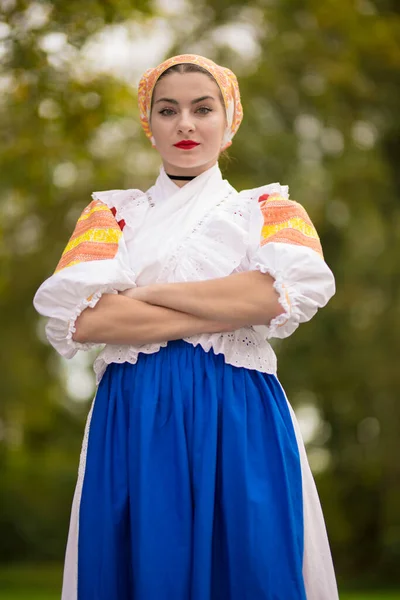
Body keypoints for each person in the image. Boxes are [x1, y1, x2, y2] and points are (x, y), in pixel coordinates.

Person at [34, 54, 339, 600]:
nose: (185, 124)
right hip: (136, 410)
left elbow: (278, 295)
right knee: (146, 565)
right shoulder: (112, 215)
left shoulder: (266, 209)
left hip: (238, 411)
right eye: (168, 110)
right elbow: (85, 318)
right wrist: (227, 302)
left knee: (251, 561)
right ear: (148, 125)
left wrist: (144, 295)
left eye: (203, 109)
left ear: (230, 122)